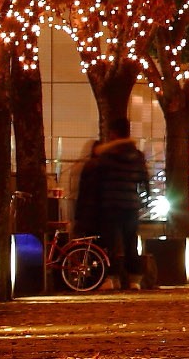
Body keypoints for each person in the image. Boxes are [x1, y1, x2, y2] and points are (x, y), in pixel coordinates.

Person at [81, 119, 150, 290]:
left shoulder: (106, 157)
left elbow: (97, 183)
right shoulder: (137, 156)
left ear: (113, 133)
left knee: (112, 243)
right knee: (130, 242)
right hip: (131, 206)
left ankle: (112, 278)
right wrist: (142, 200)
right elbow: (144, 181)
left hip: (110, 206)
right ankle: (134, 279)